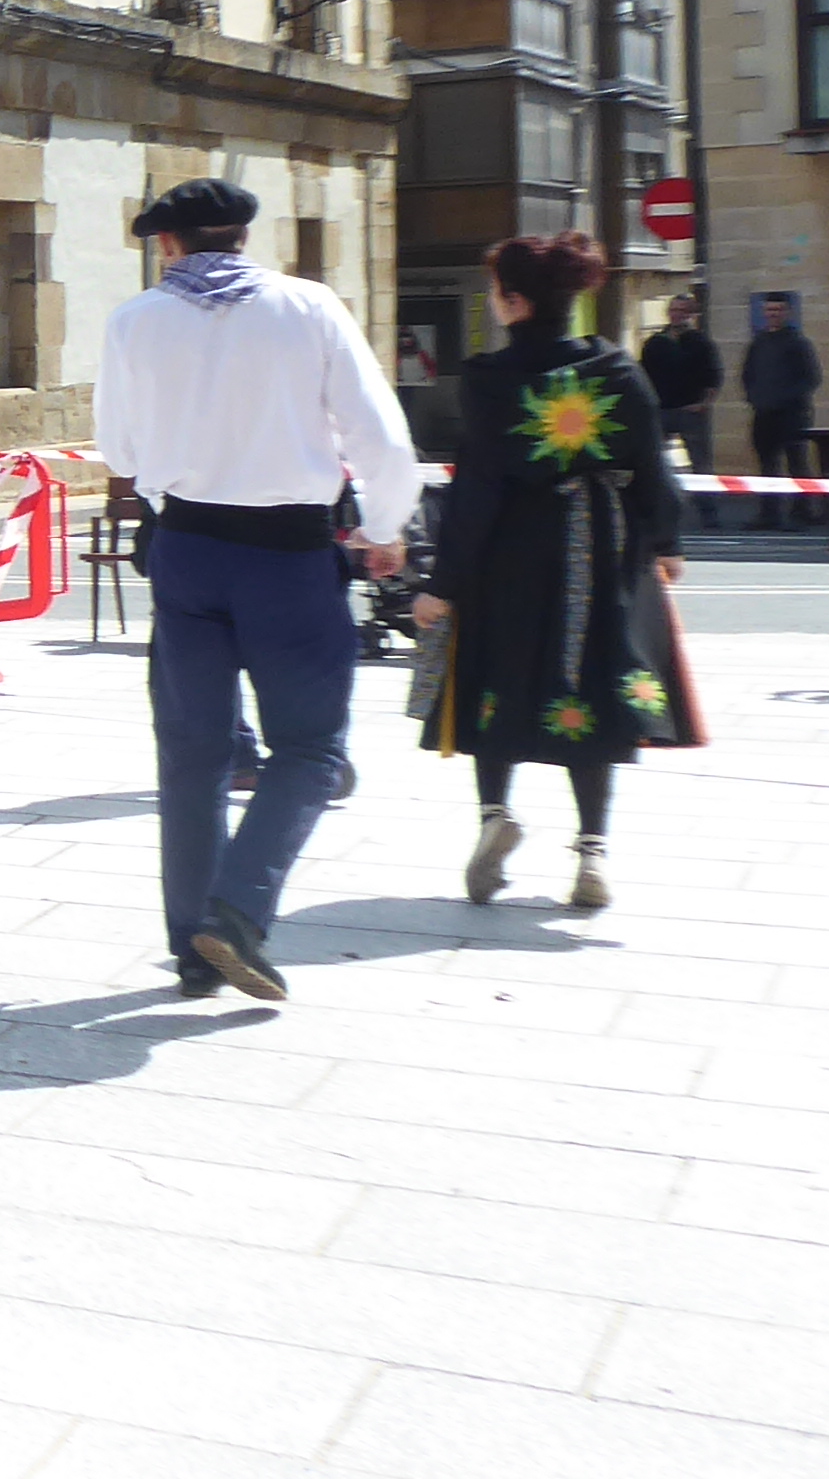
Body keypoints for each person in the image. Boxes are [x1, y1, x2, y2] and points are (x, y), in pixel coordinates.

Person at [99, 177, 421, 1001]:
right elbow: (382, 438)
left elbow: (120, 449)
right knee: (309, 749)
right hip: (287, 555)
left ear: (168, 244)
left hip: (188, 547)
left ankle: (192, 949)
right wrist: (385, 526)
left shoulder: (135, 321)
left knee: (193, 755)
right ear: (244, 235)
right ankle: (238, 909)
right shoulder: (308, 307)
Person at [418, 235, 690, 913]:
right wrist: (666, 540)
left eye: (495, 291)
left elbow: (476, 490)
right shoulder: (616, 369)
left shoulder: (490, 379)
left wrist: (443, 583)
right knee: (593, 682)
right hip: (598, 550)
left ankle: (495, 816)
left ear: (515, 302)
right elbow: (652, 463)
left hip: (508, 554)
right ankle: (591, 850)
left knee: (496, 675)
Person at [638, 292, 725, 532]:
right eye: (674, 310)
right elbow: (643, 376)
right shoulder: (655, 343)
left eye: (683, 311)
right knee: (655, 464)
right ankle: (658, 513)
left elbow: (714, 376)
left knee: (701, 465)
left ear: (692, 314)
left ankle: (709, 514)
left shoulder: (701, 342)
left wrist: (703, 404)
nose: (677, 315)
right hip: (662, 411)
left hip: (691, 411)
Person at [740, 293, 821, 530]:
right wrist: (754, 397)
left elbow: (811, 378)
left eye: (778, 310)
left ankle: (803, 512)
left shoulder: (799, 343)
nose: (773, 314)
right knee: (767, 465)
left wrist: (786, 399)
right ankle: (769, 514)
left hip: (792, 414)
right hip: (763, 413)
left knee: (797, 463)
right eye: (769, 310)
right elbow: (747, 374)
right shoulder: (758, 343)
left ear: (787, 312)